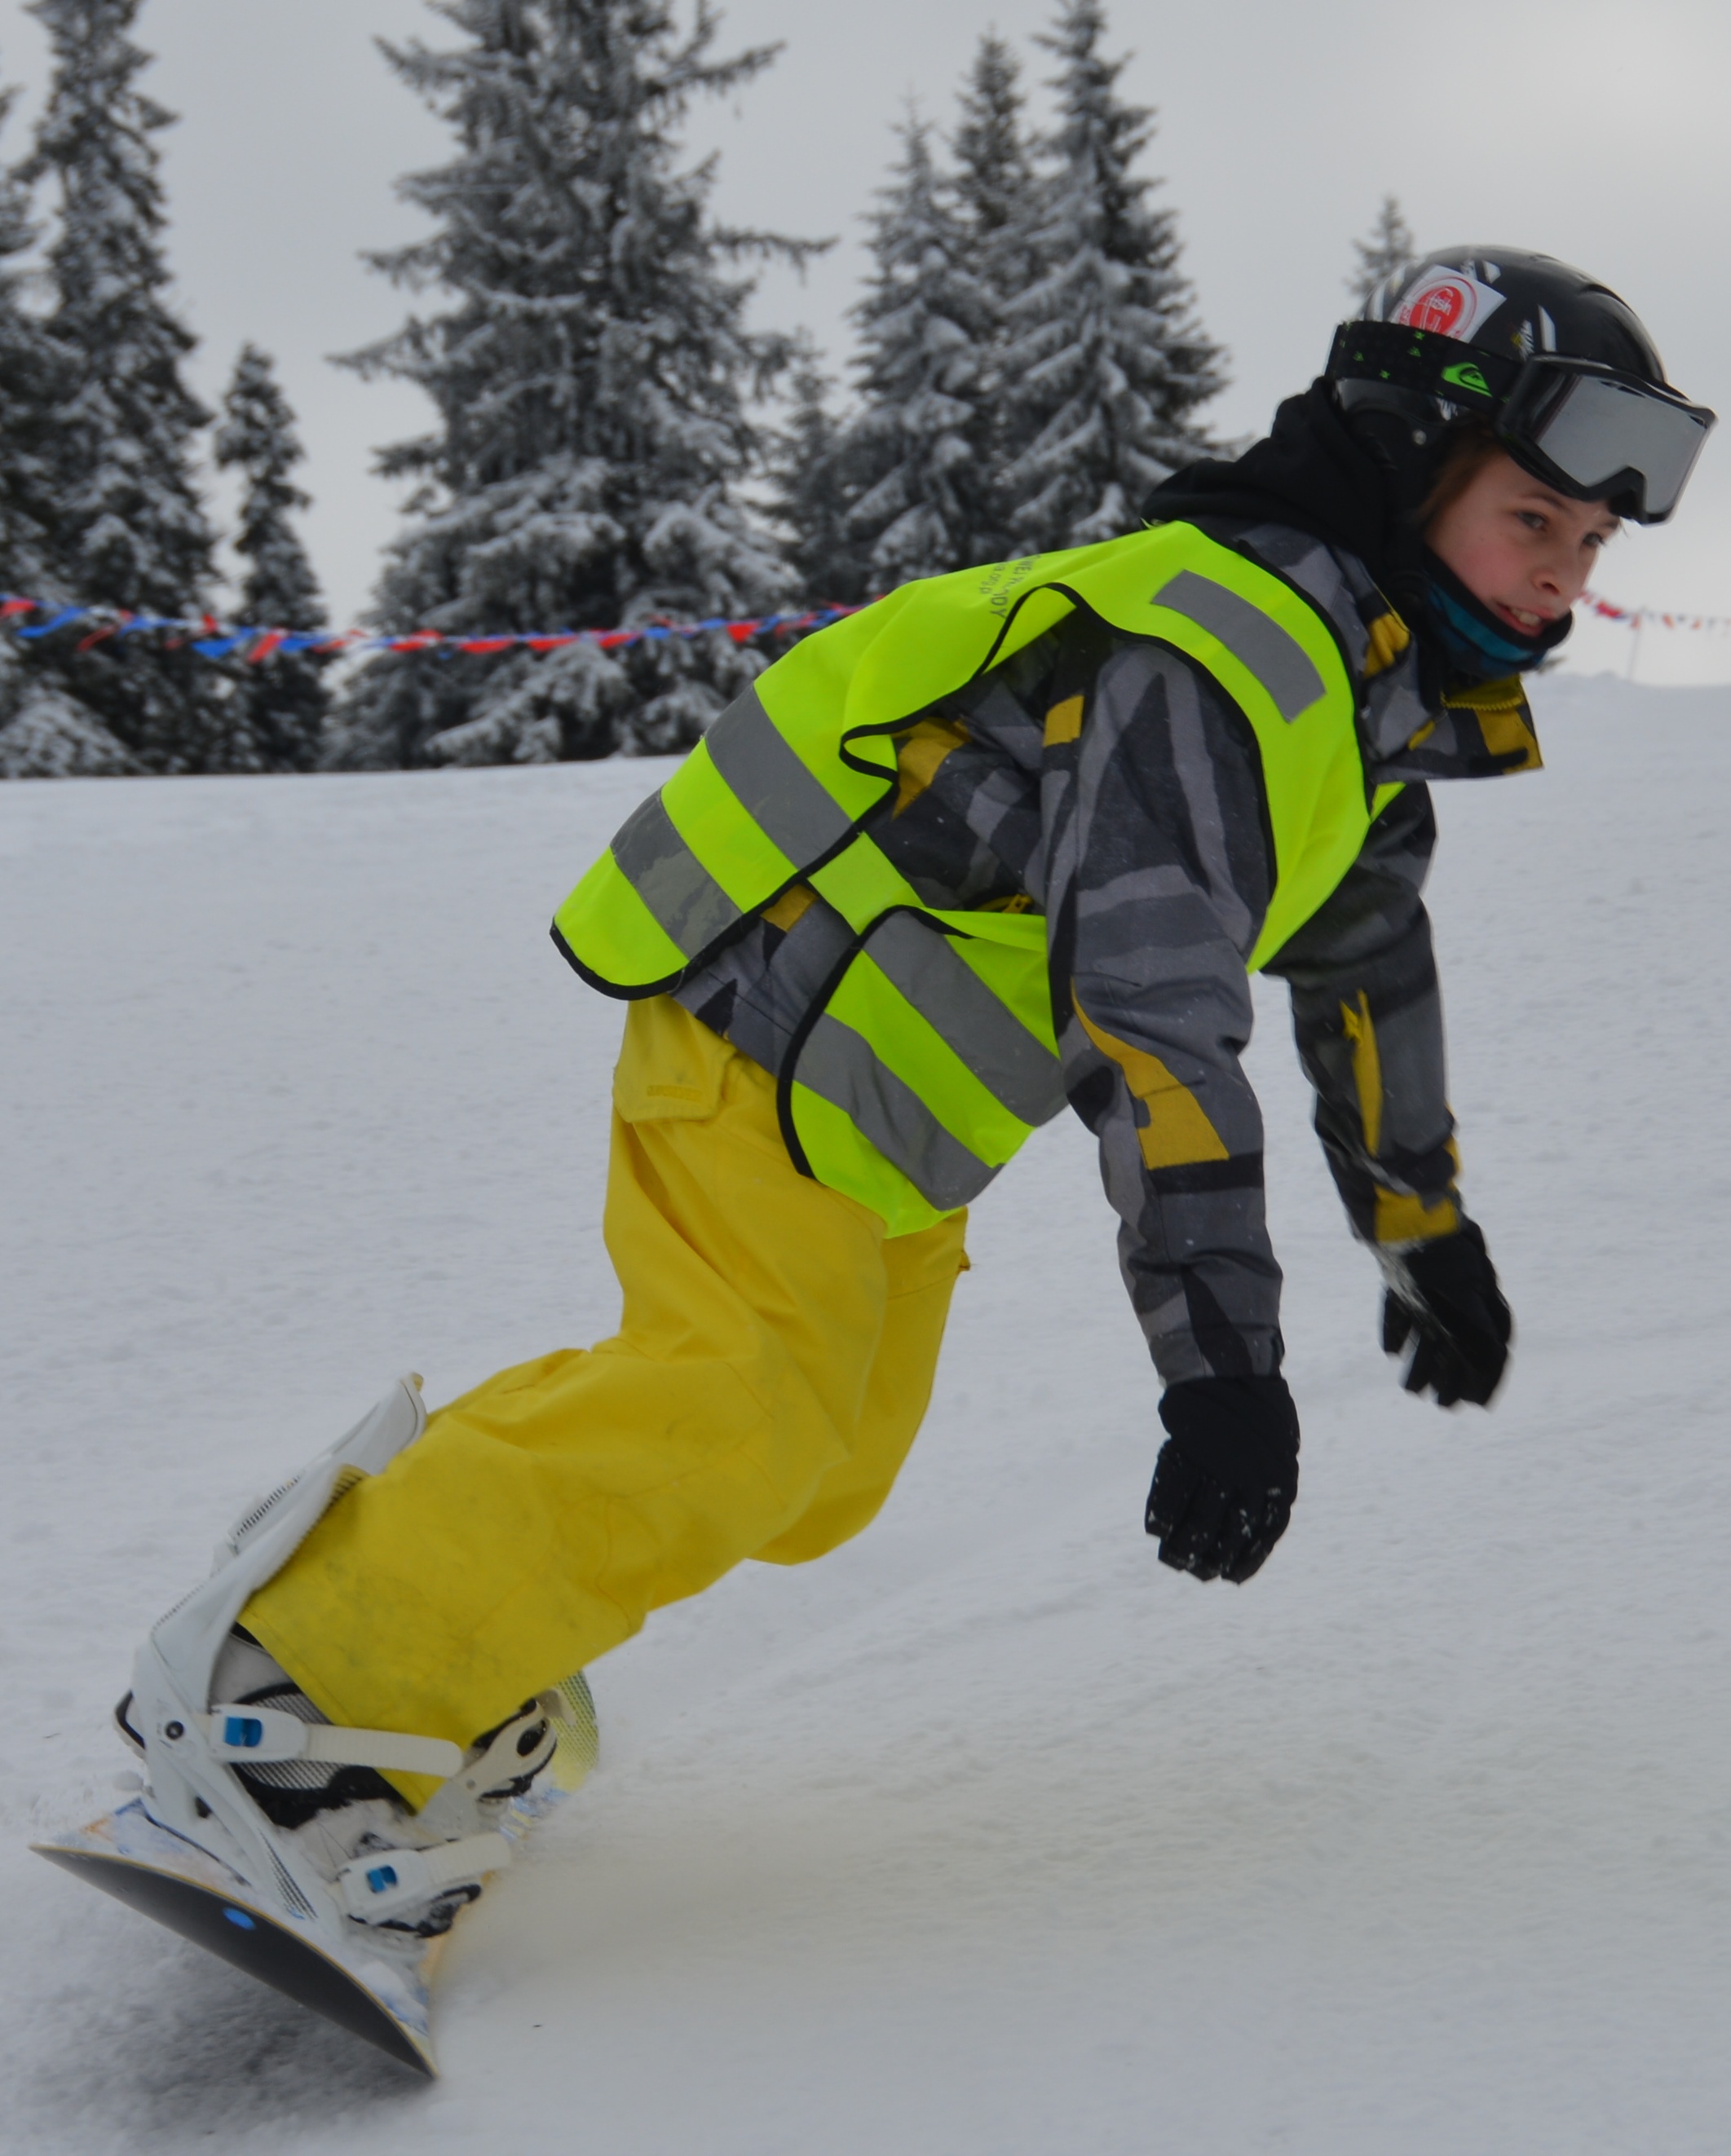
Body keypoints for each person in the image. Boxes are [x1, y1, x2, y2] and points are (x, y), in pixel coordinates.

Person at [117, 249, 1714, 1942]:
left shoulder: (1358, 709)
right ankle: (294, 1684)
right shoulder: (1215, 658)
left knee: (827, 1473)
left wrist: (1420, 1223)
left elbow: (1367, 964)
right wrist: (1225, 1373)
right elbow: (1156, 1020)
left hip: (881, 1106)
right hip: (767, 1013)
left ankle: (413, 1575)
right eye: (1532, 521)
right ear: (1408, 457)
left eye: (1591, 544)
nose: (1564, 576)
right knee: (741, 1406)